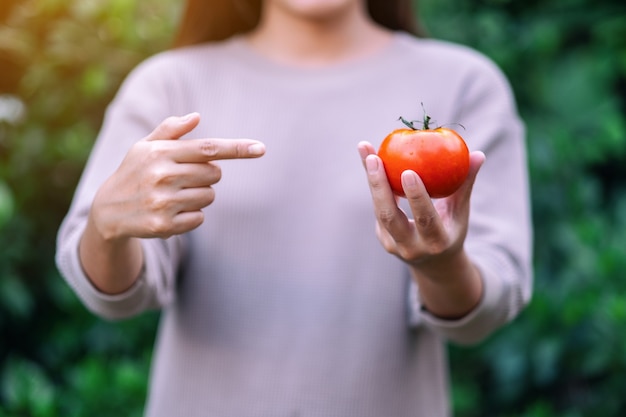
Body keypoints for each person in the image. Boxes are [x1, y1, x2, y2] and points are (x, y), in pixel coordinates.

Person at [55, 0, 533, 415]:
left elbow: (487, 307)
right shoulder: (170, 85)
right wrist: (106, 226)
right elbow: (112, 293)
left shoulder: (464, 83)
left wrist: (441, 265)